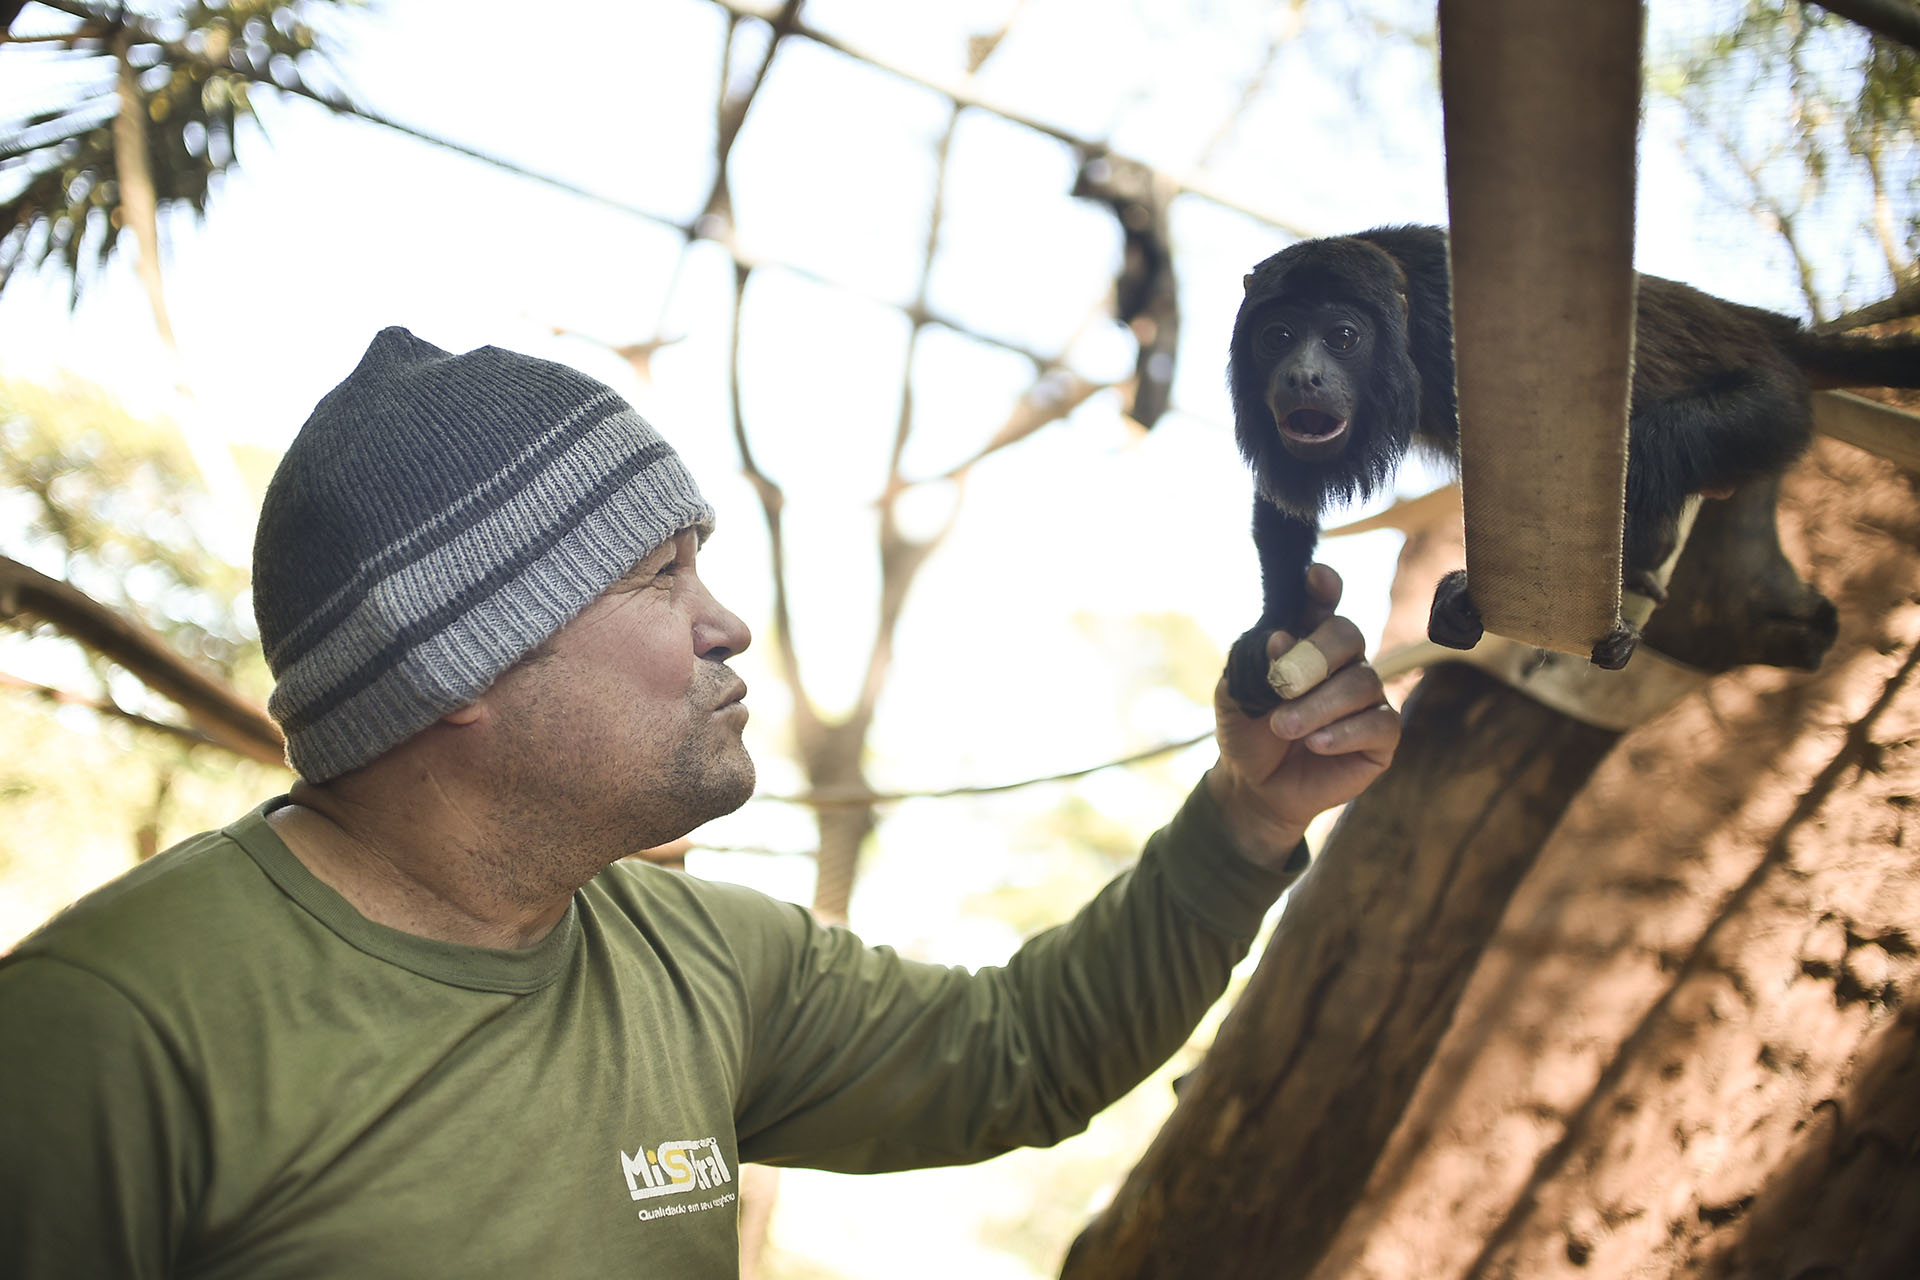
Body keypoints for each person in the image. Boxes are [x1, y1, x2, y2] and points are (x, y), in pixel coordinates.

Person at [0, 327, 1400, 1277]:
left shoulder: (705, 960)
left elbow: (1018, 1052)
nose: (726, 626)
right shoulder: (110, 1031)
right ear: (458, 663)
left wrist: (1247, 819)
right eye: (660, 575)